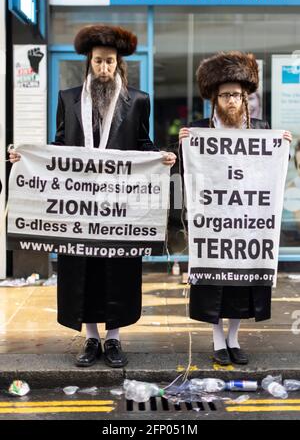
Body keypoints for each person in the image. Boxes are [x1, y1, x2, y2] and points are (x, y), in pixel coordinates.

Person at [10, 24, 176, 368]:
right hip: (79, 206)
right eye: (98, 62)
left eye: (110, 62)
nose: (104, 68)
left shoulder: (137, 101)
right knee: (81, 269)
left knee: (117, 269)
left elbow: (142, 144)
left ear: (119, 65)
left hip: (120, 208)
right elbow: (59, 145)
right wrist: (26, 158)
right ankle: (90, 338)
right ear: (89, 63)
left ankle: (113, 339)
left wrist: (161, 157)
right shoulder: (68, 99)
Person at [179, 51, 292, 366]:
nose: (231, 101)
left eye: (237, 95)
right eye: (225, 95)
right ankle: (217, 341)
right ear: (214, 98)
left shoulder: (261, 129)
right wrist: (181, 143)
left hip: (247, 223)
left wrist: (282, 143)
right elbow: (188, 172)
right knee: (215, 283)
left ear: (246, 98)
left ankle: (234, 339)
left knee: (243, 283)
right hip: (213, 224)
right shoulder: (198, 130)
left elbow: (269, 172)